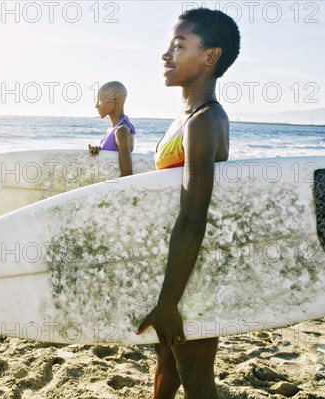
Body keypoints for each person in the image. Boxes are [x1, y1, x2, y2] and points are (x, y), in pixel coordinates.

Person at [136, 8, 240, 399]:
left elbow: (194, 216)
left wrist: (168, 302)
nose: (166, 55)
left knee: (196, 378)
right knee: (166, 361)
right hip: (177, 267)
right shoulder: (184, 116)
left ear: (210, 57)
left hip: (193, 273)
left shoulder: (205, 121)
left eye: (179, 46)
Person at [88, 81, 135, 177]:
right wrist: (98, 151)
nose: (96, 105)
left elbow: (127, 174)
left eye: (100, 99)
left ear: (115, 98)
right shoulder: (112, 129)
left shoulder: (121, 131)